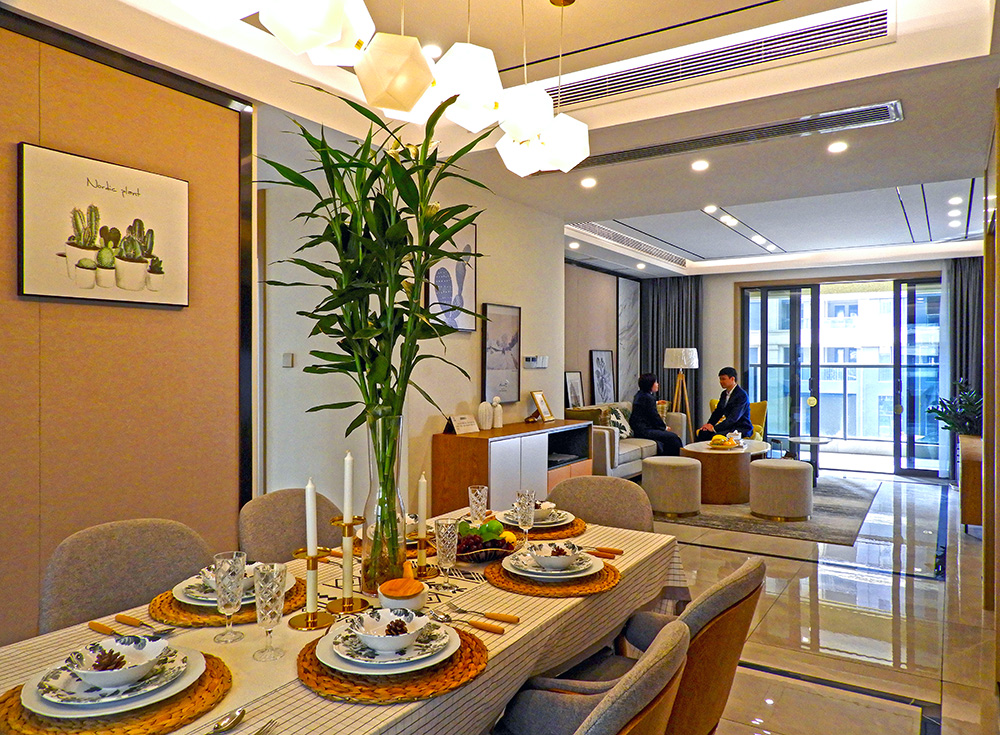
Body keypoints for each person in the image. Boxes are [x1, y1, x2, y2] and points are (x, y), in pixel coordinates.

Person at [629, 373, 682, 456]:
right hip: (644, 431)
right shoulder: (648, 398)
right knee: (674, 438)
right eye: (656, 382)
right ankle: (676, 461)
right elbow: (654, 417)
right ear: (650, 384)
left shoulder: (639, 395)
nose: (657, 384)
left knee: (668, 438)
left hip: (639, 429)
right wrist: (664, 427)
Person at [697, 366, 754, 441]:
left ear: (732, 379)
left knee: (714, 436)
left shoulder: (741, 395)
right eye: (720, 379)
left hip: (741, 428)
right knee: (703, 433)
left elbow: (733, 418)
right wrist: (709, 425)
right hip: (729, 427)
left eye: (723, 379)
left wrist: (714, 428)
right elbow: (718, 412)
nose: (721, 382)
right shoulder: (724, 394)